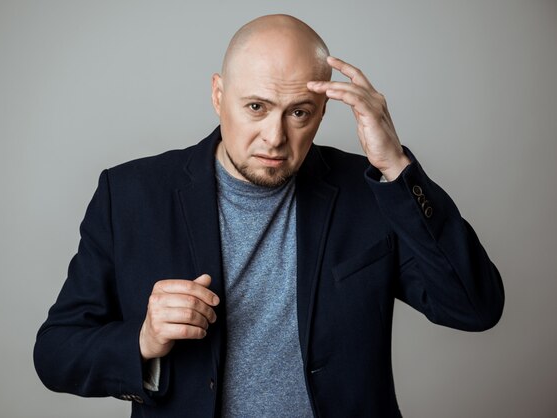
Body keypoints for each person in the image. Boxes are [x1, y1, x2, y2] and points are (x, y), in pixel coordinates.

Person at [34, 14, 504, 418]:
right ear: (219, 95)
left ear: (322, 111)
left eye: (299, 112)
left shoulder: (371, 191)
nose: (275, 137)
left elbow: (474, 307)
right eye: (256, 107)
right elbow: (56, 353)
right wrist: (144, 339)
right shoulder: (131, 195)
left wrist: (396, 167)